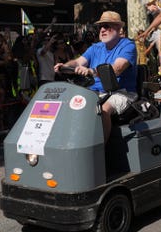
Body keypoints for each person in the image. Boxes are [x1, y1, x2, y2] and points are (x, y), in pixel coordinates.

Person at [55, 11, 137, 142]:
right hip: (95, 92)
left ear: (118, 28)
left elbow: (117, 69)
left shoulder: (128, 45)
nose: (102, 30)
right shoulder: (95, 47)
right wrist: (64, 66)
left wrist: (90, 71)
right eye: (100, 27)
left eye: (106, 26)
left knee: (103, 109)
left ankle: (99, 151)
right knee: (69, 104)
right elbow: (77, 62)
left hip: (121, 92)